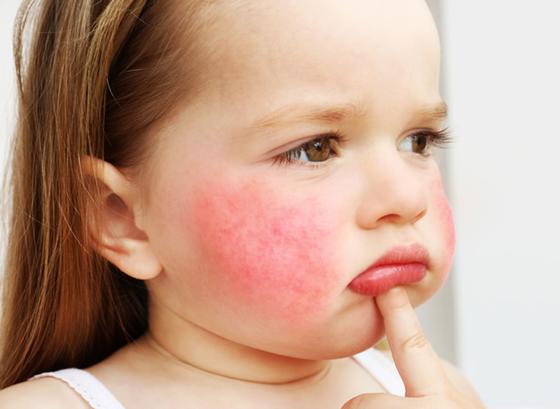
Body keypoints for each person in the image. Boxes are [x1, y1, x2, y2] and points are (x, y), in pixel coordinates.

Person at [0, 0, 486, 407]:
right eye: (314, 148)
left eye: (418, 141)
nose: (406, 198)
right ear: (122, 217)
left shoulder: (441, 393)